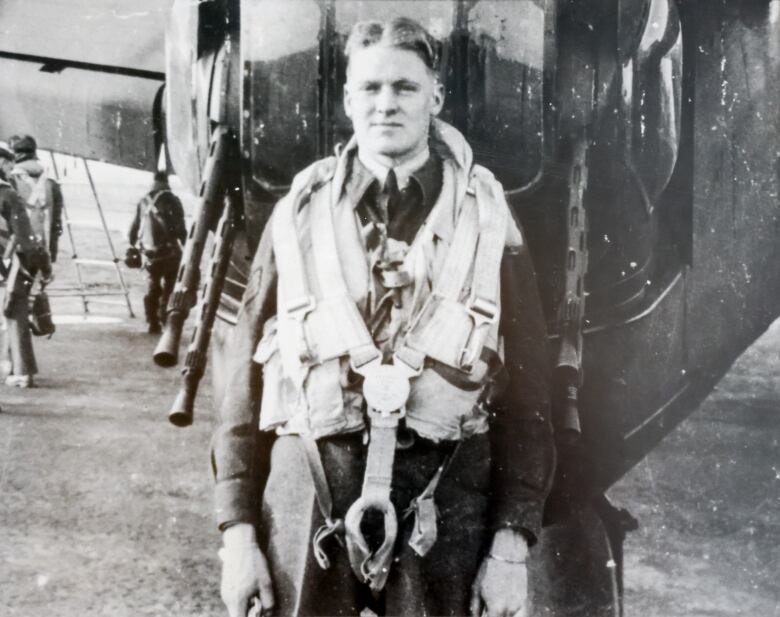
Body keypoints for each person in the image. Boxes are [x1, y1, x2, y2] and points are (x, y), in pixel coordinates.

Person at [213, 17, 554, 617]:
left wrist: (510, 547)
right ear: (348, 99)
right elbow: (241, 374)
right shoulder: (296, 214)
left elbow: (529, 391)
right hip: (308, 488)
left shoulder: (490, 220)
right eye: (370, 89)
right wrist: (238, 535)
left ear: (435, 97)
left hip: (446, 498)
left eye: (405, 88)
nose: (386, 105)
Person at [0, 142, 52, 388]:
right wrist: (41, 266)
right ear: (3, 163)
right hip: (10, 267)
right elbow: (24, 237)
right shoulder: (8, 194)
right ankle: (23, 372)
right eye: (10, 163)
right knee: (17, 314)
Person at [128, 171, 187, 334]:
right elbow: (180, 228)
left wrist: (132, 246)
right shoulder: (173, 200)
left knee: (152, 287)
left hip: (149, 254)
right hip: (170, 253)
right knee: (170, 287)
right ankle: (165, 318)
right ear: (167, 182)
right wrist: (186, 246)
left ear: (153, 182)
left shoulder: (143, 201)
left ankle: (152, 321)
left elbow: (133, 229)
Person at [7, 134, 64, 264]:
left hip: (14, 252)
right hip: (43, 252)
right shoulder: (52, 185)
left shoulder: (10, 181)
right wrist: (51, 254)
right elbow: (56, 225)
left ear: (14, 155)